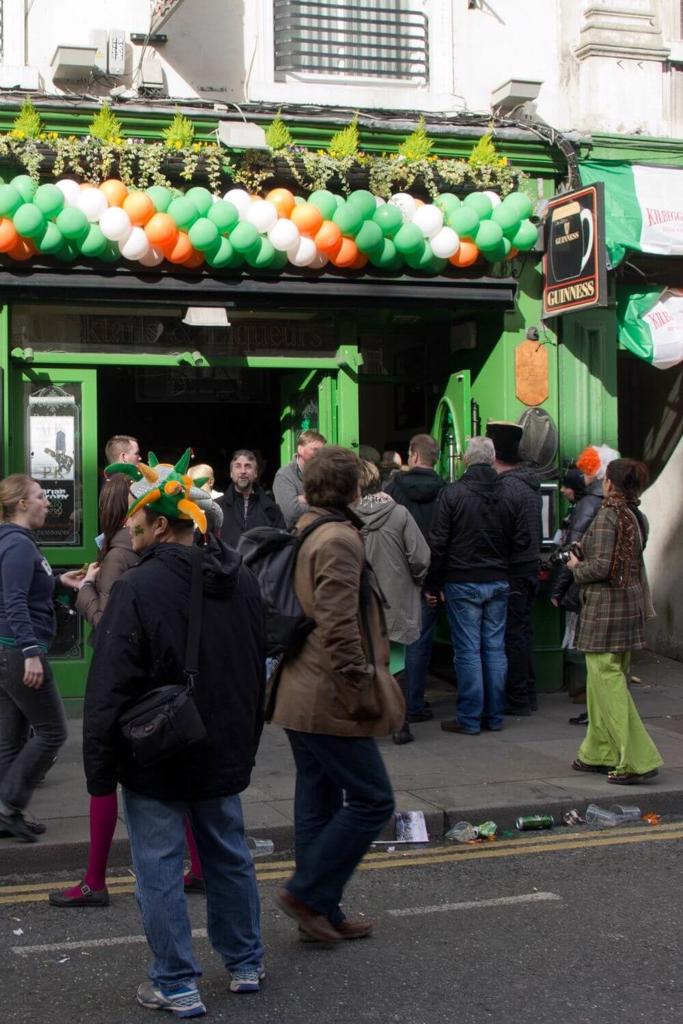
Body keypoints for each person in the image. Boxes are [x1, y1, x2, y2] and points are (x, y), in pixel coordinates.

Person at [83, 448, 266, 1014]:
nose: (130, 535)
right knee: (228, 855)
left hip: (157, 752)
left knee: (159, 867)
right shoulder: (241, 580)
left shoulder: (138, 588)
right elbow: (254, 662)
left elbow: (108, 683)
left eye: (135, 525)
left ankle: (175, 982)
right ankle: (245, 963)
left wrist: (99, 767)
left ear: (162, 524)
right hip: (221, 744)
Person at [270, 446, 404, 943]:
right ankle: (306, 893)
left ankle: (319, 909)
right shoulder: (338, 539)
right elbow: (339, 627)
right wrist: (361, 689)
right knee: (373, 799)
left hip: (300, 691)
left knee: (318, 802)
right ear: (354, 490)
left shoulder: (309, 528)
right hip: (325, 693)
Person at [567, 458, 663, 785]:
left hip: (606, 611)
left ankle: (637, 759)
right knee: (602, 681)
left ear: (609, 483)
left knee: (607, 682)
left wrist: (576, 566)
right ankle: (598, 752)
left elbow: (602, 568)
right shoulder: (637, 516)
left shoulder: (609, 516)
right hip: (628, 607)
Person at [0, 475, 83, 841]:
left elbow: (29, 588)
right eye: (39, 497)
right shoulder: (17, 545)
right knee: (53, 732)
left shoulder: (16, 542)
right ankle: (9, 804)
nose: (47, 502)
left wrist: (60, 582)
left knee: (10, 737)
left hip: (8, 651)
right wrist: (32, 652)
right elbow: (14, 600)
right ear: (21, 504)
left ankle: (6, 812)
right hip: (20, 652)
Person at [425, 437, 522, 735]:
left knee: (468, 651)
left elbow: (439, 542)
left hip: (462, 579)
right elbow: (520, 541)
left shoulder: (453, 493)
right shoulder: (510, 493)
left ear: (466, 459)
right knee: (494, 648)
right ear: (492, 459)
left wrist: (433, 583)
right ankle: (493, 716)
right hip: (497, 578)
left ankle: (469, 717)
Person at [551, 448, 619, 726]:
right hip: (614, 591)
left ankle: (595, 708)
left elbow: (574, 549)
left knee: (590, 651)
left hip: (590, 587)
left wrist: (559, 586)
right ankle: (597, 708)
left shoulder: (590, 505)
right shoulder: (615, 507)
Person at [386, 433, 445, 739]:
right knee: (421, 641)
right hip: (431, 576)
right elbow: (444, 539)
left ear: (412, 454)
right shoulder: (447, 491)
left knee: (398, 645)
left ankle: (401, 706)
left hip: (397, 577)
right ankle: (416, 703)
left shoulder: (394, 489)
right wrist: (434, 582)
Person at [354, 459, 430, 693]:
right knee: (397, 663)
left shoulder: (344, 517)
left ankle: (371, 723)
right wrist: (415, 581)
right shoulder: (399, 513)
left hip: (359, 603)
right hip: (396, 600)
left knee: (364, 661)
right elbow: (421, 557)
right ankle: (399, 725)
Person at [487, 421, 543, 717]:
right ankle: (526, 693)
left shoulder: (507, 488)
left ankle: (518, 697)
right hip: (528, 567)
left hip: (514, 570)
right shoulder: (527, 484)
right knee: (521, 633)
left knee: (513, 635)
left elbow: (508, 535)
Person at [218, 449, 285, 548]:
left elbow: (282, 546)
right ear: (231, 473)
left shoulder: (271, 509)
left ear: (255, 473)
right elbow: (206, 546)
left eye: (248, 466)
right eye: (238, 466)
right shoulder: (217, 508)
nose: (243, 471)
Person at [272, 429, 326, 528]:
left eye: (322, 451)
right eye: (315, 450)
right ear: (300, 450)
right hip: (294, 538)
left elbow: (334, 504)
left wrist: (305, 499)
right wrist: (321, 504)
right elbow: (292, 513)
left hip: (320, 534)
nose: (320, 455)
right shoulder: (285, 475)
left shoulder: (325, 474)